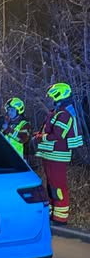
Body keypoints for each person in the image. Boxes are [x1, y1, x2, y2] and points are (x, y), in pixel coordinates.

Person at [36, 82, 85, 224]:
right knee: (51, 185)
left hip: (57, 155)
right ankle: (53, 214)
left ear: (60, 95)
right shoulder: (58, 111)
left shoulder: (64, 114)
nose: (51, 99)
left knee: (58, 185)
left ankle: (60, 218)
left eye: (53, 96)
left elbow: (58, 135)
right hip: (50, 154)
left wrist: (40, 137)